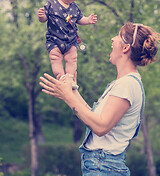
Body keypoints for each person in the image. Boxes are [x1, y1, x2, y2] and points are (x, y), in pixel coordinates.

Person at [39, 22, 160, 175]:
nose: (112, 39)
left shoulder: (127, 84)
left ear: (125, 47)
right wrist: (72, 92)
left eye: (118, 36)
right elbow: (95, 119)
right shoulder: (122, 83)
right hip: (101, 165)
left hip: (103, 166)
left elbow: (101, 127)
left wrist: (68, 97)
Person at [37, 0, 97, 89]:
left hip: (71, 40)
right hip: (54, 40)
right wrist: (42, 16)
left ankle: (69, 78)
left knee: (72, 58)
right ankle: (61, 76)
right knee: (55, 57)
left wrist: (88, 20)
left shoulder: (74, 7)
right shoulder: (51, 4)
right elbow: (44, 19)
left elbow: (80, 19)